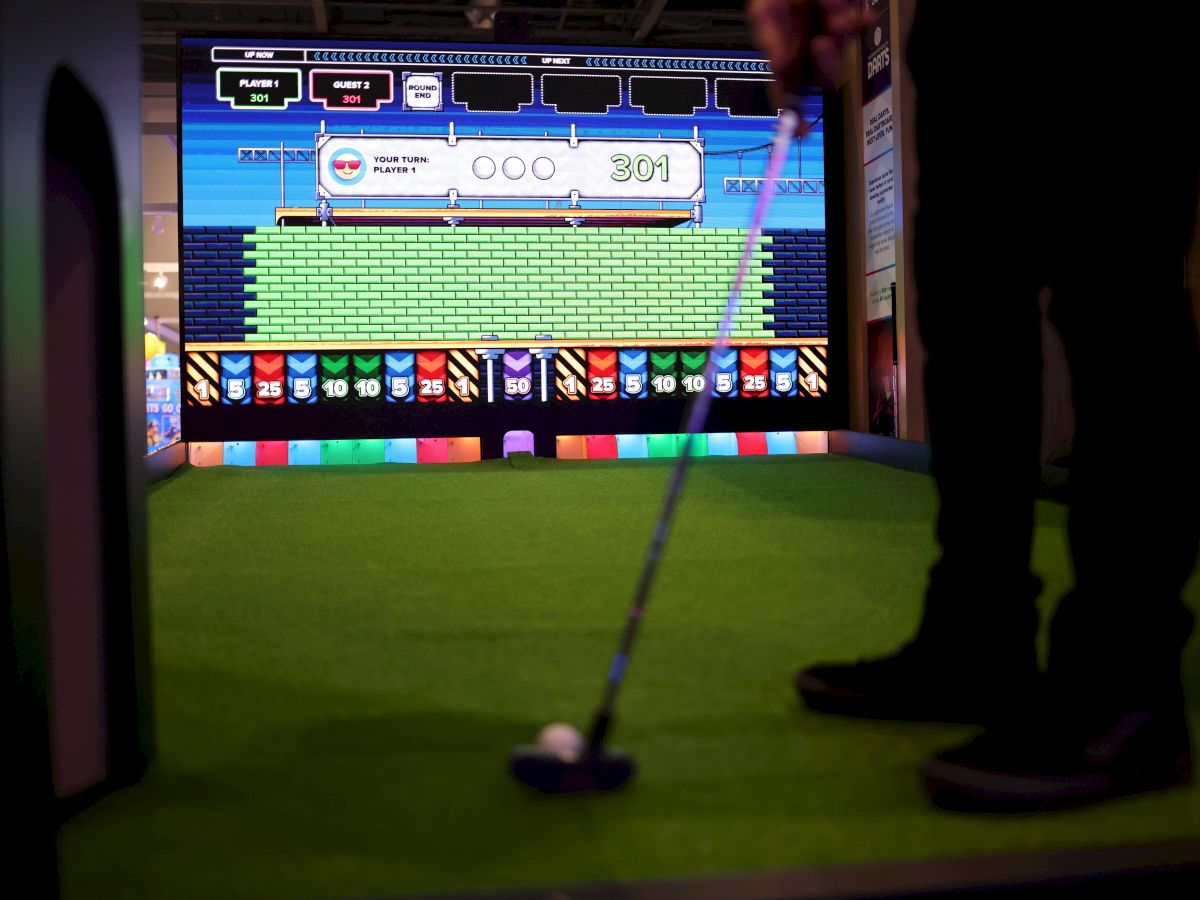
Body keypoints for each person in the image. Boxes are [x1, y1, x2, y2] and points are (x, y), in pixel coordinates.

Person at [748, 0, 1200, 812]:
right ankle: (976, 642)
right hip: (970, 23)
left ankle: (1127, 684)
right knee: (966, 300)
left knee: (1116, 284)